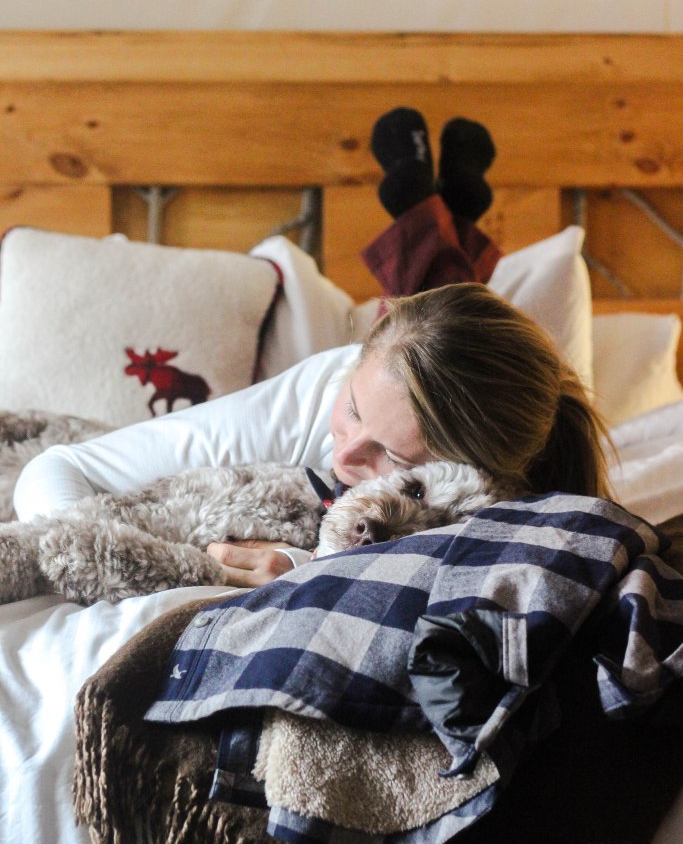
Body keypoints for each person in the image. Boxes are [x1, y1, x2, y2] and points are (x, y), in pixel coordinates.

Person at [12, 110, 610, 588]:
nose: (345, 453)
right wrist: (131, 564)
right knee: (428, 336)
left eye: (393, 458)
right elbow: (56, 469)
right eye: (353, 409)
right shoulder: (319, 391)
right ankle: (438, 223)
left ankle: (437, 221)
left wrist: (303, 568)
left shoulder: (523, 507)